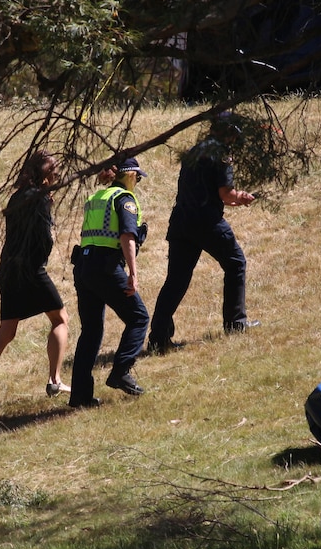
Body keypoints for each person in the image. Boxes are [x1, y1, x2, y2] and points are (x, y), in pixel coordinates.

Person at [0, 150, 72, 412]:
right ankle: (55, 381)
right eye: (53, 171)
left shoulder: (17, 197)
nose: (57, 175)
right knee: (60, 320)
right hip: (31, 270)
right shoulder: (39, 199)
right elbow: (44, 238)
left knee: (6, 332)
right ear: (43, 174)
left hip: (8, 269)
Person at [148, 113, 260, 355]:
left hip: (180, 221)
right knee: (236, 264)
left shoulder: (194, 151)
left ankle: (158, 339)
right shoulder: (221, 153)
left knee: (175, 282)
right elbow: (226, 194)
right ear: (228, 132)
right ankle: (235, 323)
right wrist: (241, 198)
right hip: (206, 222)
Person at [68, 157, 150, 408]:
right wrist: (133, 273)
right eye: (137, 176)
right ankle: (120, 371)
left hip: (83, 266)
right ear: (130, 175)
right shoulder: (124, 199)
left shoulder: (96, 198)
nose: (137, 182)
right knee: (139, 318)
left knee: (91, 331)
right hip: (106, 266)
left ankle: (80, 395)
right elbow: (127, 236)